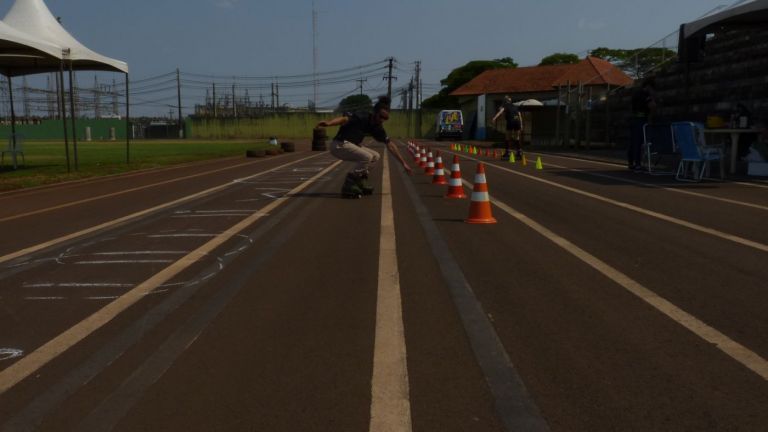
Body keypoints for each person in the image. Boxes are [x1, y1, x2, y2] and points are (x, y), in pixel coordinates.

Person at [316, 95, 412, 198]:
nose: (382, 120)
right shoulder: (362, 116)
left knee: (375, 156)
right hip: (339, 145)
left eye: (386, 118)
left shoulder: (377, 127)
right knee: (367, 157)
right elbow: (344, 119)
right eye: (381, 116)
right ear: (375, 113)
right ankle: (350, 183)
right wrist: (329, 123)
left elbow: (390, 145)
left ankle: (360, 181)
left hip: (350, 145)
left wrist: (404, 163)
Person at [628, 78, 657, 170]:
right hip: (641, 119)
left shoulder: (635, 93)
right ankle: (637, 164)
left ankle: (631, 162)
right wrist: (650, 118)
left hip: (633, 119)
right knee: (639, 142)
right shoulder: (645, 94)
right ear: (648, 86)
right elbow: (652, 106)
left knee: (633, 141)